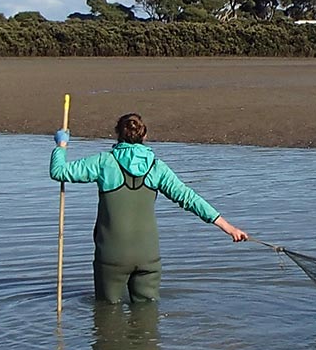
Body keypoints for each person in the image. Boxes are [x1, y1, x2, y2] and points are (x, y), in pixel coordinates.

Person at [51, 113, 247, 303]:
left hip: (112, 256)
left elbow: (59, 171)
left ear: (117, 134)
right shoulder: (156, 167)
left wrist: (61, 146)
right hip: (148, 257)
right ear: (144, 135)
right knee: (147, 312)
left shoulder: (104, 162)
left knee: (107, 314)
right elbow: (189, 198)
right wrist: (229, 228)